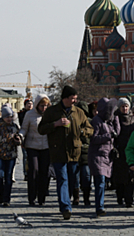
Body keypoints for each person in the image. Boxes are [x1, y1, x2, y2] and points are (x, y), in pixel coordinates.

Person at [38, 85, 93, 220]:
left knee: (71, 180)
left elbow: (90, 129)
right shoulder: (52, 112)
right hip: (58, 152)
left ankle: (66, 201)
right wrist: (55, 124)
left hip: (74, 152)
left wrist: (81, 132)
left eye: (75, 98)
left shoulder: (79, 112)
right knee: (62, 179)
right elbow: (41, 129)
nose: (74, 101)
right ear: (65, 98)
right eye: (72, 98)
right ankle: (65, 207)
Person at [88, 98, 121, 217]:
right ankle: (99, 206)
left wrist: (116, 118)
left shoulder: (110, 121)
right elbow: (94, 138)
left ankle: (100, 204)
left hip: (108, 155)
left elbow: (117, 132)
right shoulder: (96, 121)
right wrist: (108, 136)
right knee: (100, 181)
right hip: (97, 155)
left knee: (104, 181)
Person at [19, 95, 51, 206]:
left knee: (44, 172)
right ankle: (31, 197)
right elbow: (24, 129)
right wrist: (20, 136)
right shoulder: (29, 115)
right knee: (33, 171)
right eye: (42, 106)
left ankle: (42, 198)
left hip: (46, 147)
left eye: (46, 106)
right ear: (37, 105)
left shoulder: (50, 115)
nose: (44, 108)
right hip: (32, 146)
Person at [0, 106, 21, 206]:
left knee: (8, 177)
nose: (9, 119)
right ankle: (1, 194)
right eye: (7, 117)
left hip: (11, 155)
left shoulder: (14, 127)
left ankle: (6, 199)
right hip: (0, 155)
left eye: (11, 117)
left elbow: (20, 139)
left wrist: (18, 141)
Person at [112, 98, 134, 208]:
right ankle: (120, 196)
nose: (125, 108)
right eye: (123, 106)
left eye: (126, 106)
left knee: (130, 177)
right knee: (120, 176)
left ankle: (129, 200)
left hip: (131, 150)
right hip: (120, 150)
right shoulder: (115, 118)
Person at [72, 101, 94, 206]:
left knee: (86, 176)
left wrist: (82, 132)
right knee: (74, 177)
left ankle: (86, 197)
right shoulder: (72, 121)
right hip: (74, 153)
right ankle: (76, 197)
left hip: (86, 153)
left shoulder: (90, 122)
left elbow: (91, 134)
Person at [18, 98, 33, 182]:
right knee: (25, 156)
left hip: (33, 137)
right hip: (24, 137)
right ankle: (26, 173)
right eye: (28, 104)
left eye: (31, 104)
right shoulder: (21, 114)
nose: (30, 105)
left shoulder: (35, 114)